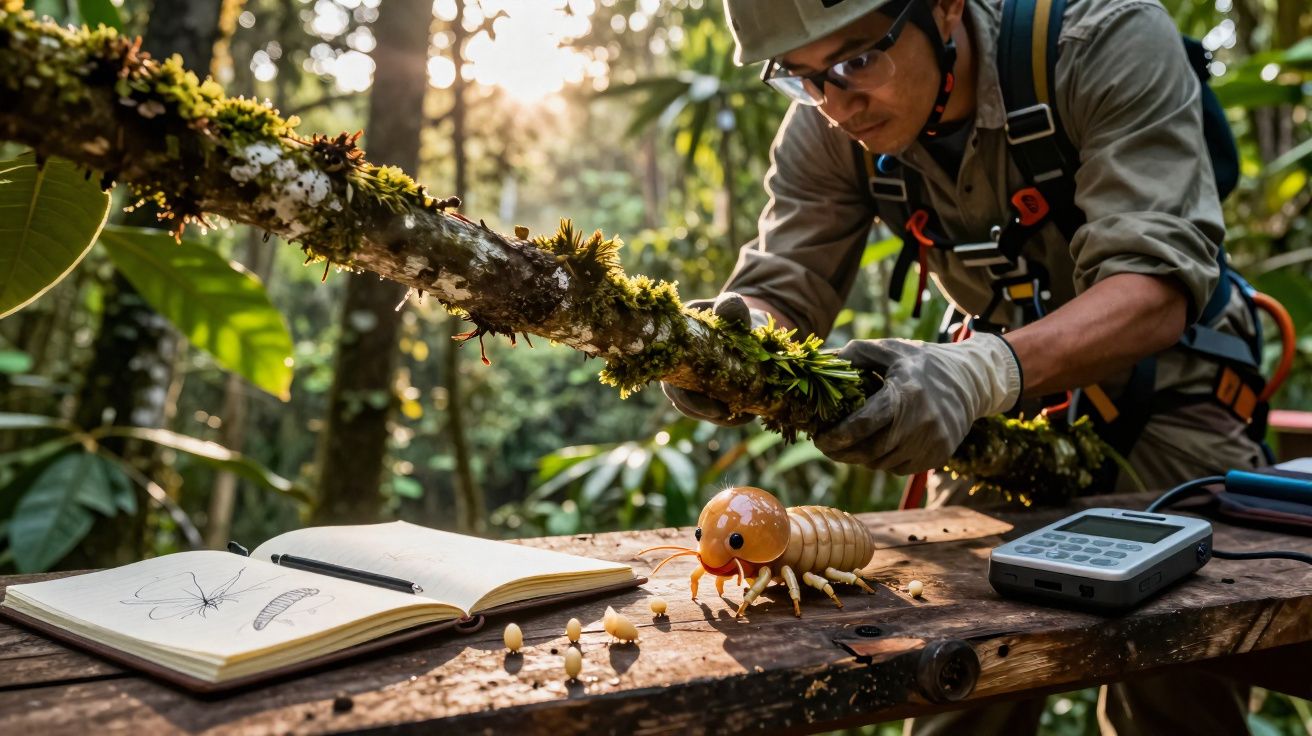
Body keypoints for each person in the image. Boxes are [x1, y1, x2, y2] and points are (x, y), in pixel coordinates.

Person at [662, 0, 1263, 733]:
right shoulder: (824, 124)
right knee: (954, 668)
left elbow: (1153, 289)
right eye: (801, 75)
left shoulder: (1102, 41)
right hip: (990, 419)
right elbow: (786, 284)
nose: (837, 104)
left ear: (945, 7)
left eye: (858, 60)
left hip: (1168, 400)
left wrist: (976, 373)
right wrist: (733, 344)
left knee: (1180, 671)